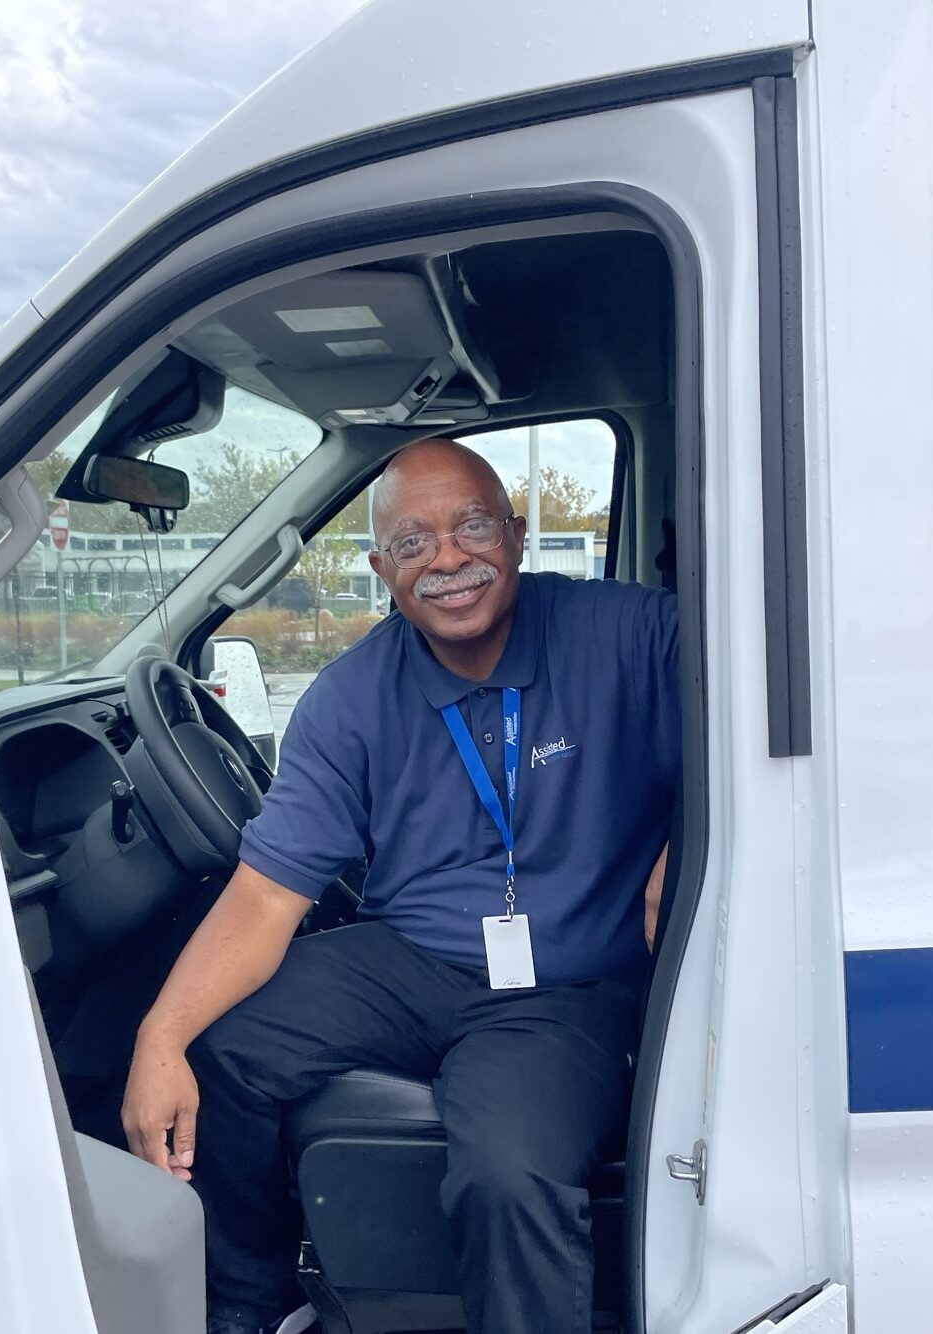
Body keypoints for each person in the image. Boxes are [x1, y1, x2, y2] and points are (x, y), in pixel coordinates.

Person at [121, 437, 681, 1334]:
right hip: (411, 959)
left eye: (470, 528)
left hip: (569, 985)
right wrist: (161, 1033)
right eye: (414, 544)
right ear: (383, 569)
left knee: (510, 1175)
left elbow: (774, 700)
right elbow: (267, 897)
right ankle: (247, 1308)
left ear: (518, 534)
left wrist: (689, 834)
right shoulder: (347, 699)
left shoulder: (635, 634)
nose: (448, 560)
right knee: (219, 1050)